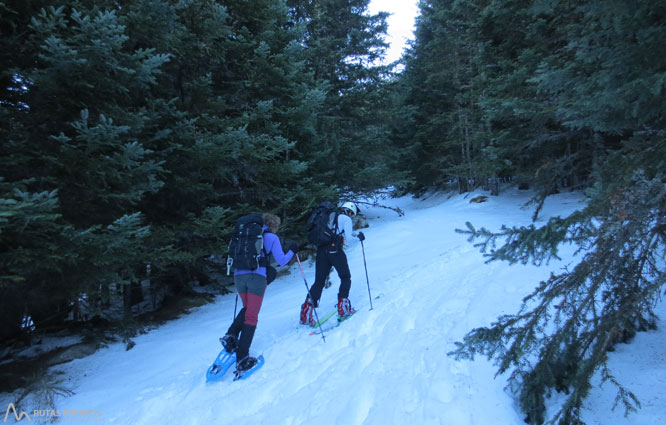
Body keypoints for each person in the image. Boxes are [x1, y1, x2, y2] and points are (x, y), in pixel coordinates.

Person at [221, 213, 298, 373]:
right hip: (256, 277)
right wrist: (292, 251)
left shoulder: (246, 235)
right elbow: (282, 260)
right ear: (274, 225)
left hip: (239, 276)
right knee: (252, 316)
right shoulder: (271, 237)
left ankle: (231, 336)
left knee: (247, 308)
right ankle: (242, 358)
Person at [300, 201, 359, 325]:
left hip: (321, 251)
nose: (351, 216)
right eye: (352, 213)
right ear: (349, 211)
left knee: (319, 281)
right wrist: (359, 238)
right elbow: (349, 239)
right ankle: (343, 308)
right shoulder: (345, 219)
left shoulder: (329, 217)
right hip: (335, 250)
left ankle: (306, 312)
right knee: (345, 277)